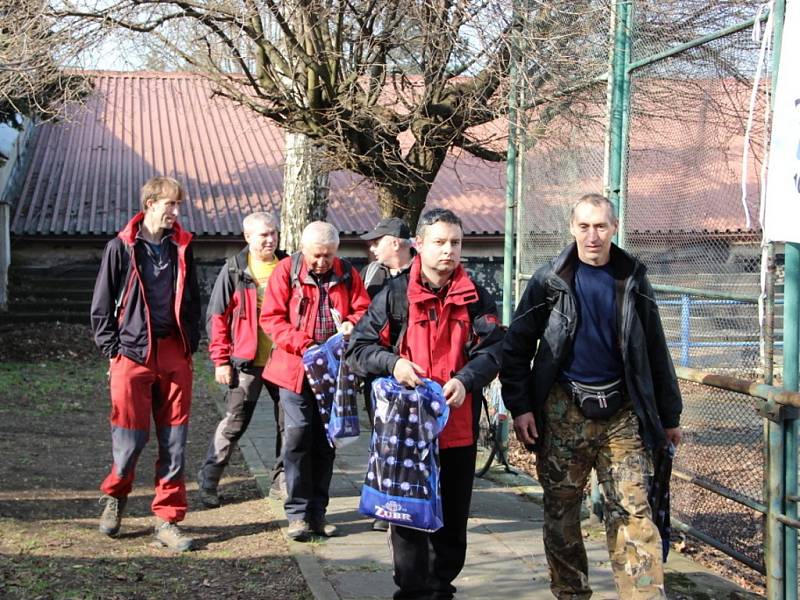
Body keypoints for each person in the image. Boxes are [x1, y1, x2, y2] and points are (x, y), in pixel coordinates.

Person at [500, 193, 683, 599]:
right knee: (562, 510)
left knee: (634, 512)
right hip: (563, 408)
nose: (593, 235)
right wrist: (521, 407)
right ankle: (571, 593)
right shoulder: (550, 280)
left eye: (601, 226)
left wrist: (669, 417)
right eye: (584, 226)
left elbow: (656, 350)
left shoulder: (633, 278)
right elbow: (516, 347)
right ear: (571, 228)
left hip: (622, 413)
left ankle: (643, 595)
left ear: (614, 228)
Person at [346, 208, 504, 600]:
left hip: (457, 430)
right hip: (405, 436)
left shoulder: (477, 297)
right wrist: (394, 363)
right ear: (418, 245)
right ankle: (412, 592)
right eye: (439, 242)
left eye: (455, 243)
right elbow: (358, 349)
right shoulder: (394, 296)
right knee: (408, 524)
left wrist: (467, 380)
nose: (448, 251)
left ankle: (442, 589)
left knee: (452, 525)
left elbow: (496, 350)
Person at [90, 176, 201, 552]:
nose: (176, 212)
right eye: (170, 204)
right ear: (150, 203)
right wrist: (113, 350)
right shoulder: (120, 248)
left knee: (175, 442)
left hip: (174, 354)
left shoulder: (182, 247)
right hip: (131, 356)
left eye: (178, 205)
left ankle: (168, 519)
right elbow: (101, 307)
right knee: (130, 441)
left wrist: (190, 344)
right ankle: (115, 497)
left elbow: (193, 301)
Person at [260, 221, 370, 542]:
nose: (322, 262)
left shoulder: (348, 273)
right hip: (294, 369)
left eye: (328, 255)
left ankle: (318, 513)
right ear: (304, 249)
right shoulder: (285, 271)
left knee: (326, 442)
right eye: (316, 255)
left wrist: (351, 323)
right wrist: (303, 344)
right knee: (296, 437)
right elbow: (272, 318)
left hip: (333, 370)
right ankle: (297, 514)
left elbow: (364, 308)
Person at [198, 212, 288, 508]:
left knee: (288, 424)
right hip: (246, 362)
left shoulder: (288, 265)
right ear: (247, 237)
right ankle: (209, 479)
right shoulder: (235, 269)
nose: (270, 239)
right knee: (235, 422)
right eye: (263, 234)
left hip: (284, 361)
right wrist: (221, 360)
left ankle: (282, 482)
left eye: (273, 233)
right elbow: (216, 318)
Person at [359, 216, 417, 532]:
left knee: (411, 441)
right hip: (380, 371)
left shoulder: (425, 274)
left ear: (395, 242)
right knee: (382, 438)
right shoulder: (372, 274)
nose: (372, 247)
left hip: (415, 373)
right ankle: (385, 506)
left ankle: (411, 503)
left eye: (377, 241)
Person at [359, 216, 416, 299]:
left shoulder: (424, 273)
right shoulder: (369, 272)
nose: (372, 249)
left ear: (395, 244)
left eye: (376, 243)